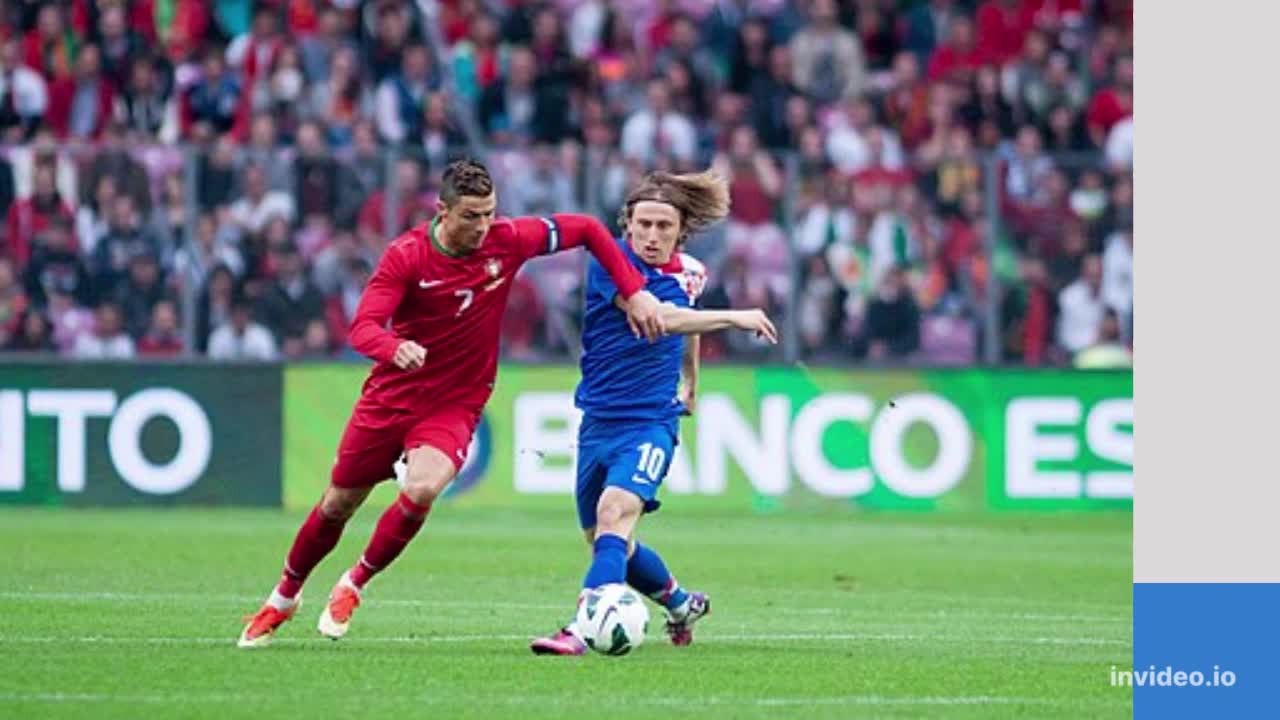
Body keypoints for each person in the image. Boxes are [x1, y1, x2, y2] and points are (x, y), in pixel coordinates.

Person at [238, 159, 664, 647]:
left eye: (489, 213)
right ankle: (283, 598)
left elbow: (588, 228)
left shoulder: (509, 239)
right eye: (472, 216)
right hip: (392, 395)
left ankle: (354, 582)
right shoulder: (407, 256)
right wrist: (392, 347)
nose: (484, 226)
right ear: (442, 211)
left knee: (421, 489)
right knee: (338, 504)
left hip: (456, 402)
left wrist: (635, 293)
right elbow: (363, 327)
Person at [530, 171, 777, 655]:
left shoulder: (691, 271)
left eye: (664, 226)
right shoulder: (609, 264)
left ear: (680, 231)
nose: (651, 235)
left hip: (650, 421)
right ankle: (682, 603)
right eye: (643, 223)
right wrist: (735, 315)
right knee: (604, 537)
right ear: (627, 225)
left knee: (613, 511)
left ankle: (583, 628)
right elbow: (659, 318)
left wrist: (691, 381)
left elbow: (685, 322)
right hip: (599, 419)